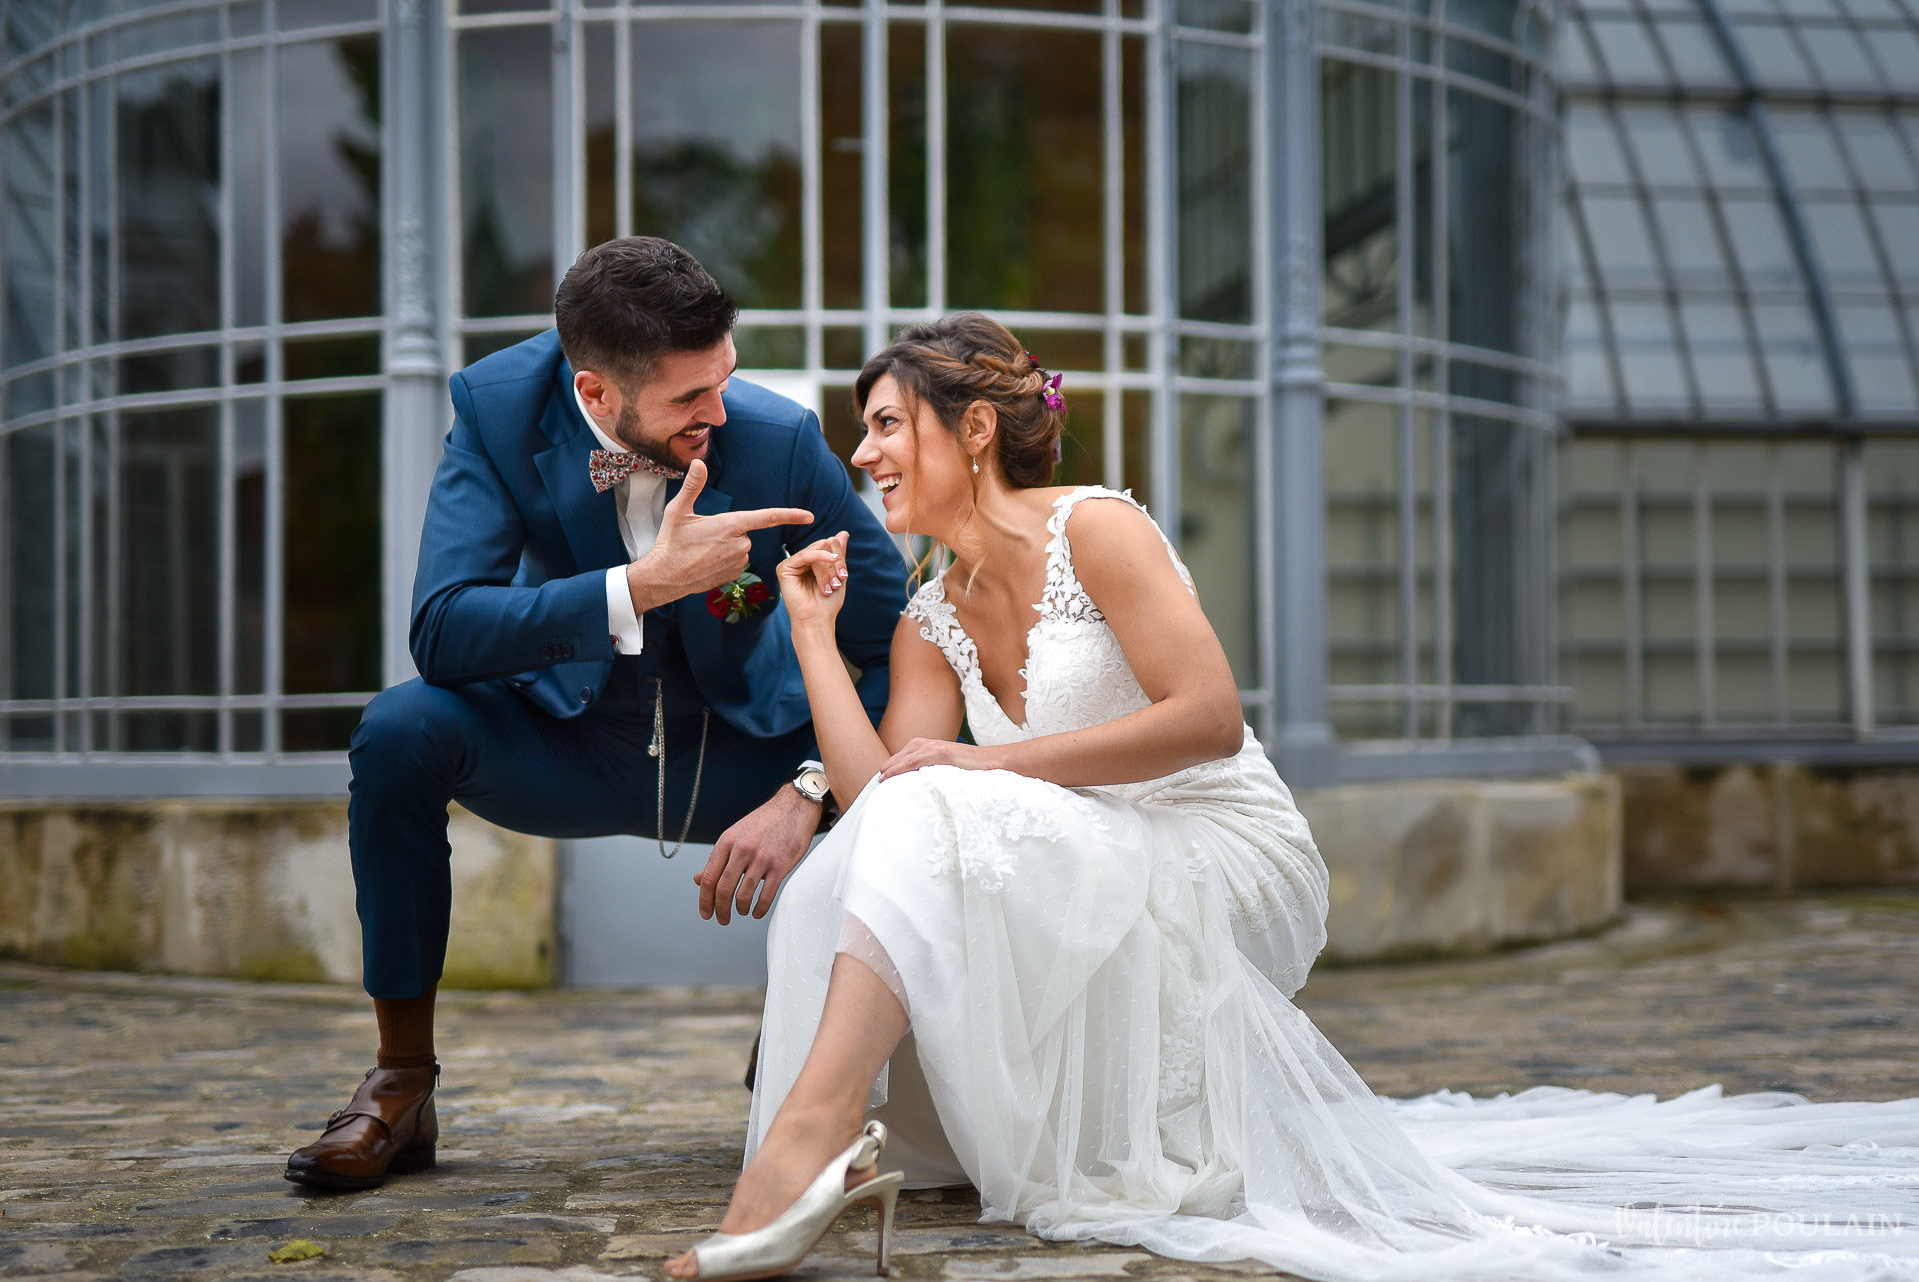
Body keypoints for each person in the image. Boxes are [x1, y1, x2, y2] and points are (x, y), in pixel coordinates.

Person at [664, 313, 1919, 1281]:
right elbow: (893, 801)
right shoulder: (930, 614)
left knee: (943, 800)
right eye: (860, 429)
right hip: (1059, 841)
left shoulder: (1097, 529)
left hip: (1216, 840)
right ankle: (827, 1137)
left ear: (974, 430)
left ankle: (804, 1147)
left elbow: (1207, 720)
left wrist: (983, 767)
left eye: (885, 423)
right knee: (876, 832)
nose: (861, 452)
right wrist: (818, 640)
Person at [284, 237, 908, 1191]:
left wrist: (808, 791)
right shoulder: (495, 409)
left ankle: (804, 1050)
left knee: (929, 768)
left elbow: (897, 643)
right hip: (560, 742)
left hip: (736, 753)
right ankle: (401, 1083)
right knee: (400, 729)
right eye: (689, 401)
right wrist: (636, 587)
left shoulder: (776, 440)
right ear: (595, 392)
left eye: (724, 379)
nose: (720, 413)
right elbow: (442, 630)